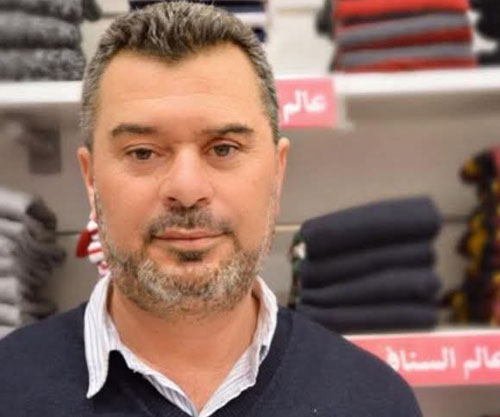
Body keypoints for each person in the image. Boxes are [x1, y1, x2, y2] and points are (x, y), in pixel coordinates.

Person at [0, 2, 422, 416]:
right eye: (143, 152)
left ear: (277, 171)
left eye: (223, 149)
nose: (187, 190)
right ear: (91, 178)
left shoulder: (376, 401)